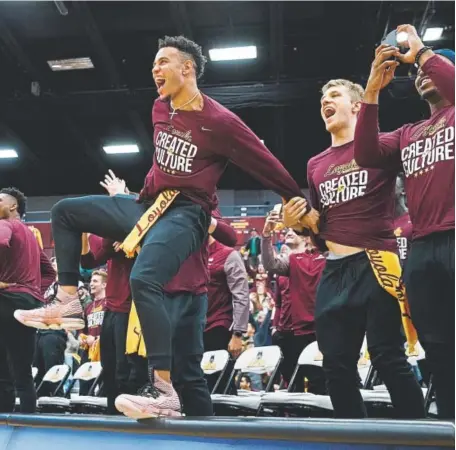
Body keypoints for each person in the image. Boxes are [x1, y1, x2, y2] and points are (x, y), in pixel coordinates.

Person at [14, 35, 317, 418]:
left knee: (144, 278)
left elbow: (266, 163)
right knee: (65, 212)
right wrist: (129, 198)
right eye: (154, 63)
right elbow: (159, 169)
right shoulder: (160, 108)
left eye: (162, 62)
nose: (154, 69)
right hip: (148, 205)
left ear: (186, 68)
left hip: (188, 213)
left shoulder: (220, 122)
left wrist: (298, 200)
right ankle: (69, 299)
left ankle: (164, 391)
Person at [283, 76, 425, 419]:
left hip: (377, 261)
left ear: (357, 107)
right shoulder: (315, 164)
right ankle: (356, 438)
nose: (325, 103)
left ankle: (422, 438)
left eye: (334, 95)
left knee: (387, 357)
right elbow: (319, 227)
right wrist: (297, 221)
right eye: (322, 100)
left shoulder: (382, 145)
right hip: (334, 268)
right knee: (335, 364)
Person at [353, 24, 454, 419]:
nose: (421, 73)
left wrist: (424, 52)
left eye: (433, 67)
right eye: (417, 73)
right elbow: (365, 153)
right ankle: (450, 426)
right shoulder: (408, 133)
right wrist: (373, 90)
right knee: (438, 347)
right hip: (424, 247)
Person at [0, 187, 55, 413]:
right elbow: (50, 272)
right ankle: (29, 426)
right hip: (29, 305)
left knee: (2, 370)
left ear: (13, 206)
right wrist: (33, 291)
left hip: (7, 301)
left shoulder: (5, 224)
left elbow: (1, 241)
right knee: (22, 370)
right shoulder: (31, 236)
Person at [262, 214, 326, 392]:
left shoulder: (330, 258)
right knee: (296, 380)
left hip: (325, 329)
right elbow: (270, 264)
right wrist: (266, 235)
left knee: (324, 381)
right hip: (298, 331)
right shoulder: (293, 260)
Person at [81, 233, 142, 414]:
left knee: (125, 367)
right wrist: (84, 235)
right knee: (109, 367)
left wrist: (130, 240)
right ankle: (112, 412)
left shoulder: (140, 233)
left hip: (130, 308)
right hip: (111, 308)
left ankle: (127, 412)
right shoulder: (109, 241)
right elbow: (88, 262)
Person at [203, 233, 250, 394]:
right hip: (194, 329)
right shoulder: (190, 255)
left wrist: (238, 333)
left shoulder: (229, 255)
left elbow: (241, 295)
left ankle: (228, 417)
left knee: (220, 384)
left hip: (219, 327)